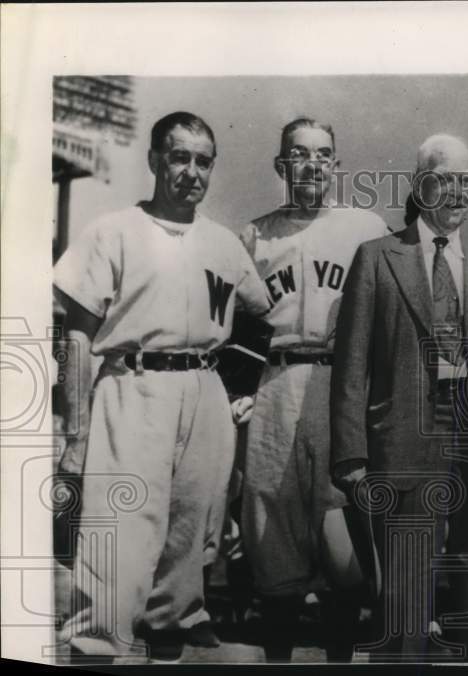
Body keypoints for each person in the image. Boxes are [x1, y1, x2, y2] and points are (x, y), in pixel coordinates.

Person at [53, 112, 270, 662]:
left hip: (204, 390)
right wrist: (75, 435)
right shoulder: (113, 230)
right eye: (179, 157)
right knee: (118, 547)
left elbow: (259, 316)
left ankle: (172, 632)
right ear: (154, 161)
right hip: (133, 384)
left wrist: (240, 386)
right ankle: (94, 646)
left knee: (189, 551)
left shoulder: (222, 242)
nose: (191, 172)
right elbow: (77, 335)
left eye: (202, 161)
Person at [329, 134, 468, 661]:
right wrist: (351, 453)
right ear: (421, 184)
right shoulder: (377, 258)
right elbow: (351, 365)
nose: (458, 193)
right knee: (405, 598)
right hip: (405, 440)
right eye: (446, 179)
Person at [236, 117, 389, 661]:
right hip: (276, 378)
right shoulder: (255, 235)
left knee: (344, 532)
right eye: (300, 154)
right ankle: (278, 655)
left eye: (324, 155)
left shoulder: (364, 226)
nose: (313, 164)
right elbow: (236, 324)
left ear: (336, 165)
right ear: (283, 165)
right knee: (270, 517)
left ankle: (341, 657)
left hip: (339, 380)